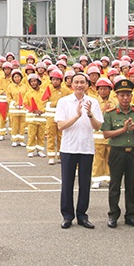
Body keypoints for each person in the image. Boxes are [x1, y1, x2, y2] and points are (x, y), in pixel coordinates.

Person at [56, 72, 103, 230]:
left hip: (86, 148)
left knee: (85, 184)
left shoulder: (93, 102)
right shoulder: (64, 102)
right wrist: (76, 116)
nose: (79, 85)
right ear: (71, 84)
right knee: (67, 183)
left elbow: (98, 127)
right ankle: (67, 216)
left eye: (82, 82)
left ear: (87, 85)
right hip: (68, 147)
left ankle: (82, 215)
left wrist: (89, 114)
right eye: (76, 82)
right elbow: (60, 126)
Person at [101, 79, 134, 229]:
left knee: (130, 185)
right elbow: (106, 134)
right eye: (122, 95)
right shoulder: (111, 114)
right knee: (114, 185)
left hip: (132, 152)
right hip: (116, 152)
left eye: (128, 95)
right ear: (117, 96)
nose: (125, 98)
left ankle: (131, 215)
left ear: (131, 95)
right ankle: (113, 214)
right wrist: (123, 130)